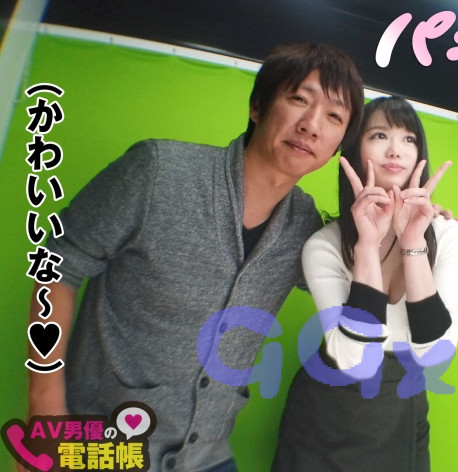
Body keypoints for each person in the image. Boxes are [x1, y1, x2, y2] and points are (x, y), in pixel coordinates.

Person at [28, 43, 365, 472]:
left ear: (339, 145)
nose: (311, 126)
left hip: (207, 456)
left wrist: (421, 231)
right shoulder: (158, 172)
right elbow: (58, 263)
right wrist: (44, 411)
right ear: (257, 106)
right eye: (299, 98)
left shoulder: (306, 229)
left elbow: (366, 286)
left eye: (334, 116)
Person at [272, 97, 458, 472]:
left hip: (400, 407)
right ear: (354, 148)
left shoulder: (448, 237)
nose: (395, 150)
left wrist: (413, 242)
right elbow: (356, 360)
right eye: (379, 135)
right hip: (324, 408)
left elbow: (434, 353)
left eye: (409, 139)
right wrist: (365, 245)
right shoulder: (324, 245)